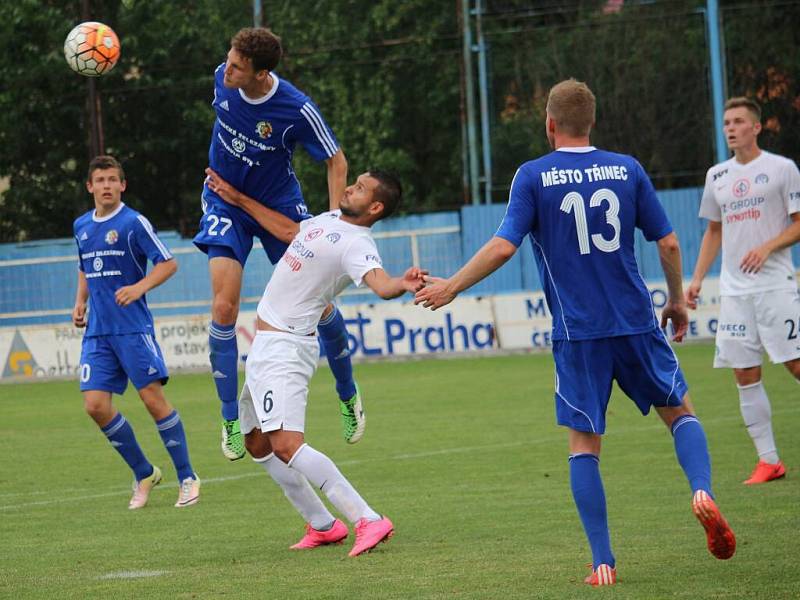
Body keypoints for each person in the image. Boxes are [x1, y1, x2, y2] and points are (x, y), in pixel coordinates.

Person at [415, 79, 736, 585]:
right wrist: (675, 299)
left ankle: (603, 562)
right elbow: (670, 243)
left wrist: (452, 286)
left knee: (584, 446)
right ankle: (702, 491)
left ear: (549, 124)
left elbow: (503, 247)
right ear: (592, 122)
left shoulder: (534, 175)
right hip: (634, 322)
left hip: (578, 333)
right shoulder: (627, 168)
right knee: (679, 414)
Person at [206, 168, 423, 555]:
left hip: (285, 350)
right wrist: (236, 198)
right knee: (256, 441)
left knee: (287, 444)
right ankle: (323, 525)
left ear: (374, 207)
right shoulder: (329, 219)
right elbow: (290, 232)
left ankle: (367, 518)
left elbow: (380, 282)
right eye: (353, 181)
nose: (350, 188)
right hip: (266, 347)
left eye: (359, 189)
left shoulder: (358, 244)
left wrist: (401, 284)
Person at [192, 27, 362, 461]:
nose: (227, 69)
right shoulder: (221, 79)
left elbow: (336, 159)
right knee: (224, 308)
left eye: (237, 66)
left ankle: (347, 393)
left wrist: (332, 221)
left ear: (261, 72)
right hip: (224, 202)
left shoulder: (296, 108)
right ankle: (230, 417)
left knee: (319, 304)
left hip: (278, 207)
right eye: (228, 60)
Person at [72, 155, 200, 510]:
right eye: (100, 180)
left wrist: (139, 287)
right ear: (90, 187)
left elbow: (168, 263)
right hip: (98, 332)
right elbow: (84, 267)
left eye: (113, 179)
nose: (107, 186)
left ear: (123, 185)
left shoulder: (133, 223)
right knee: (95, 406)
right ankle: (144, 472)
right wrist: (79, 302)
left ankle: (187, 477)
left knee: (152, 400)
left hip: (132, 328)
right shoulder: (81, 225)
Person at [686, 97, 800, 485]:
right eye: (726, 123)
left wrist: (767, 246)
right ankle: (769, 461)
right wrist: (698, 279)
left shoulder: (782, 169)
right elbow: (714, 231)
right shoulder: (716, 175)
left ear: (756, 127)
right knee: (745, 372)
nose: (730, 128)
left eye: (738, 121)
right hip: (735, 292)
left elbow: (799, 223)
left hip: (775, 286)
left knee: (796, 364)